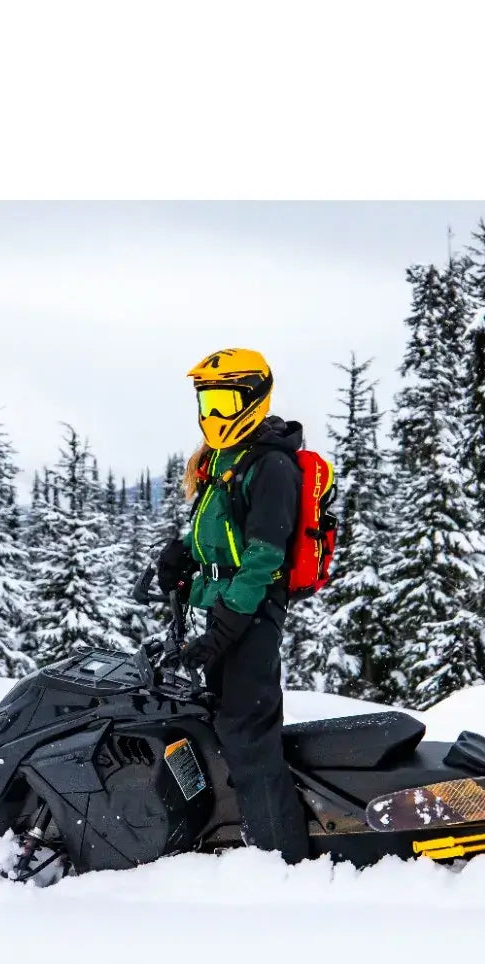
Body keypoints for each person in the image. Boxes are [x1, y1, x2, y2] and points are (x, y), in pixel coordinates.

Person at [156, 348, 311, 864]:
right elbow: (221, 532)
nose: (214, 414)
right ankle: (241, 830)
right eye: (208, 402)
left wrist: (229, 623)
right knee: (222, 722)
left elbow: (264, 556)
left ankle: (281, 859)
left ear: (254, 400)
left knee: (249, 734)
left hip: (253, 611)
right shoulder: (225, 459)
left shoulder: (271, 466)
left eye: (224, 401)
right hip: (227, 607)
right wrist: (182, 557)